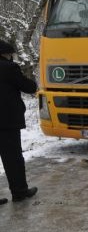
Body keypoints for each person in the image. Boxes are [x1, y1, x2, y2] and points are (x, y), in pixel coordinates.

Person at [0, 40, 38, 204]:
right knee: (12, 157)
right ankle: (19, 191)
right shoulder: (9, 68)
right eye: (10, 54)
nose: (11, 56)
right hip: (6, 121)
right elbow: (28, 87)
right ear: (5, 54)